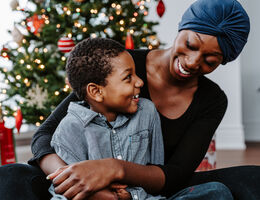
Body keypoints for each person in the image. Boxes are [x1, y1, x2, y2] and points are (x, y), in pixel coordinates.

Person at [0, 0, 255, 199]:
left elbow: (177, 174)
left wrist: (113, 168)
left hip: (151, 189)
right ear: (182, 28)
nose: (192, 62)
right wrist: (74, 179)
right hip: (77, 183)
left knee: (247, 181)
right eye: (190, 44)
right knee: (11, 176)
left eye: (210, 61)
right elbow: (44, 135)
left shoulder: (212, 100)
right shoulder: (121, 65)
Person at [49, 37, 165, 200]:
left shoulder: (146, 111)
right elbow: (64, 192)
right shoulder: (69, 129)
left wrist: (131, 195)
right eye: (128, 77)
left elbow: (157, 176)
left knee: (211, 190)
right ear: (96, 92)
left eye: (136, 74)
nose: (139, 82)